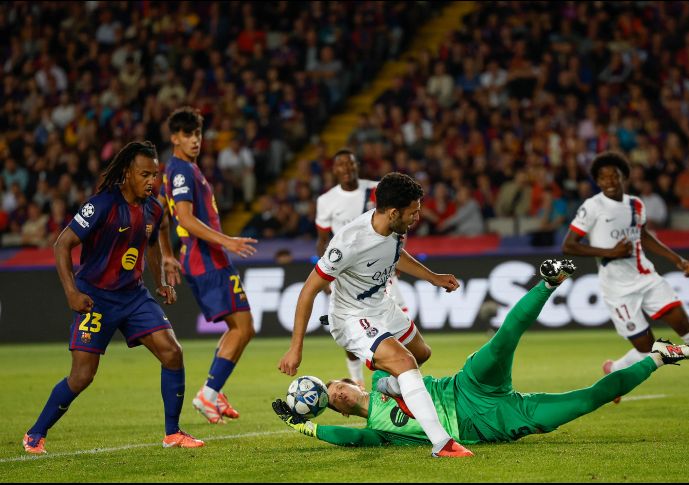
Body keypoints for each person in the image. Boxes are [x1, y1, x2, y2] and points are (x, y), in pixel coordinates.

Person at [272, 260, 689, 450]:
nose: (339, 396)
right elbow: (349, 439)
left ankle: (549, 282)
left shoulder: (386, 380)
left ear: (349, 381)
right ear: (343, 411)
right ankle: (659, 358)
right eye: (335, 401)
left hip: (468, 385)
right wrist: (306, 428)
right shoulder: (377, 431)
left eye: (335, 387)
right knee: (586, 401)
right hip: (493, 424)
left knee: (504, 340)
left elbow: (407, 365)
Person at [23, 141, 204, 454]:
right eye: (145, 174)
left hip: (133, 296)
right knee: (82, 376)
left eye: (156, 174)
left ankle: (172, 433)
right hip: (95, 297)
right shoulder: (102, 204)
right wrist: (72, 292)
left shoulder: (154, 208)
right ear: (127, 174)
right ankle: (35, 433)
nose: (152, 181)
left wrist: (160, 279)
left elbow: (150, 243)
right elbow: (61, 245)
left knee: (172, 353)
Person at [279, 172, 472, 458]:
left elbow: (396, 254)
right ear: (394, 212)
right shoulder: (348, 242)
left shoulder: (395, 228)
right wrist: (295, 348)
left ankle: (389, 386)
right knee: (405, 361)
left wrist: (433, 277)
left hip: (381, 306)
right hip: (351, 317)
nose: (417, 217)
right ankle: (442, 444)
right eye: (413, 212)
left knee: (421, 353)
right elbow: (308, 292)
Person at [561, 151, 689, 403]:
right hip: (617, 289)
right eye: (602, 177)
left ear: (624, 177)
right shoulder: (592, 207)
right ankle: (615, 368)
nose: (608, 181)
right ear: (597, 182)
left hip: (647, 278)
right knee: (647, 348)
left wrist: (678, 260)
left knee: (687, 328)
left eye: (614, 176)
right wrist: (609, 251)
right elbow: (569, 246)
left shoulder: (635, 205)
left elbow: (643, 237)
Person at [160, 107, 258, 424]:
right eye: (188, 134)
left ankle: (214, 391)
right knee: (244, 327)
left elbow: (161, 214)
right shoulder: (181, 172)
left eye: (198, 134)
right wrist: (226, 241)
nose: (195, 140)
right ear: (174, 137)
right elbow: (184, 218)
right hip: (206, 259)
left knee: (238, 328)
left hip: (205, 258)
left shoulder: (182, 169)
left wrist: (167, 254)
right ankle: (209, 393)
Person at [315, 149, 406, 387]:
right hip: (347, 273)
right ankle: (357, 380)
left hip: (380, 268)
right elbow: (322, 242)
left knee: (399, 316)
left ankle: (392, 374)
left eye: (350, 163)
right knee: (352, 326)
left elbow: (396, 223)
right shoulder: (326, 201)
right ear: (334, 170)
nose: (346, 169)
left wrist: (396, 256)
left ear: (357, 166)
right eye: (340, 165)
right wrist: (326, 278)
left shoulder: (376, 190)